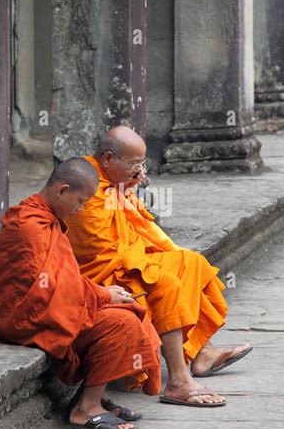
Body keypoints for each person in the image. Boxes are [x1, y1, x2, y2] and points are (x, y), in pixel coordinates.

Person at [65, 127, 253, 408]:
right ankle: (178, 380)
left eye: (142, 163)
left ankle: (201, 352)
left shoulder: (110, 180)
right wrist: (123, 190)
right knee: (163, 282)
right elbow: (98, 251)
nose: (139, 170)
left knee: (191, 262)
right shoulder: (85, 183)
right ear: (107, 159)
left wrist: (126, 186)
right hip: (100, 273)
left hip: (126, 259)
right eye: (134, 164)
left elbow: (130, 223)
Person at [0, 158, 162, 429]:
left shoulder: (46, 218)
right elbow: (44, 290)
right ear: (62, 190)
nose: (80, 210)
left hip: (44, 307)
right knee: (123, 324)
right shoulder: (29, 226)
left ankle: (90, 397)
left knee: (132, 311)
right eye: (80, 202)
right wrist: (102, 295)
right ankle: (84, 410)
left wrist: (102, 294)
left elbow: (60, 279)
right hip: (23, 318)